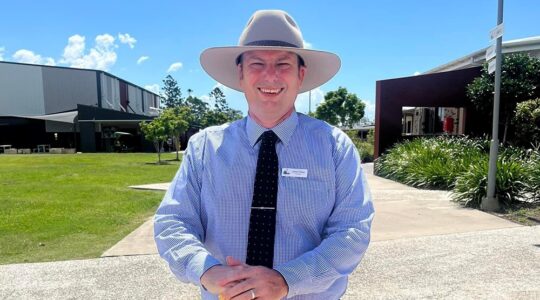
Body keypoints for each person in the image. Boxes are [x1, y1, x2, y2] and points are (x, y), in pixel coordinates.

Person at [154, 9, 374, 300]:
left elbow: (352, 230)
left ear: (301, 75)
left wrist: (286, 280)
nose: (270, 75)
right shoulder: (204, 148)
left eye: (283, 64)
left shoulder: (334, 147)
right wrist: (206, 271)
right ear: (241, 74)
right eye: (257, 63)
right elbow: (173, 220)